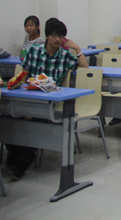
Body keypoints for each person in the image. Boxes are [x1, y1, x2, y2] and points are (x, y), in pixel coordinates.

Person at [6, 18, 89, 180]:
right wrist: (15, 83)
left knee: (38, 121)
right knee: (7, 118)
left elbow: (85, 68)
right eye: (54, 35)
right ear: (47, 36)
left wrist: (77, 49)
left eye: (61, 36)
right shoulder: (34, 51)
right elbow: (24, 74)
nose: (57, 39)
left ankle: (24, 160)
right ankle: (14, 151)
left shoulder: (64, 55)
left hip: (50, 101)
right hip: (29, 96)